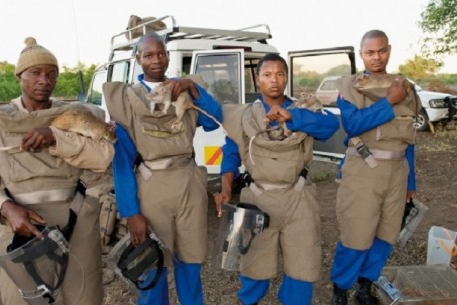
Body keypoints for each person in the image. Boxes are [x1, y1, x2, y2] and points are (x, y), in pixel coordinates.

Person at [0, 37, 114, 305]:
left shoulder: (72, 117)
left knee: (83, 296)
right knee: (27, 299)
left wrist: (55, 138)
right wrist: (5, 208)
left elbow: (102, 158)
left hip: (73, 222)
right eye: (36, 73)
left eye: (52, 74)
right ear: (20, 75)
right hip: (20, 227)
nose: (45, 80)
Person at [102, 32, 223, 305]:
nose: (156, 60)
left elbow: (215, 121)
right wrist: (131, 212)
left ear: (168, 55)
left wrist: (193, 89)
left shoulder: (185, 88)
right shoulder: (128, 99)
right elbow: (121, 161)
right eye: (148, 55)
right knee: (151, 263)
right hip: (152, 185)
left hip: (189, 182)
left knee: (190, 260)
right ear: (138, 59)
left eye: (161, 53)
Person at [214, 53, 340, 305]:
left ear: (286, 78)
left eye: (280, 74)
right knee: (253, 268)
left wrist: (292, 117)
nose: (274, 80)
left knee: (302, 268)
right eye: (267, 75)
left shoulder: (302, 110)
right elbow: (230, 153)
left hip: (298, 197)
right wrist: (226, 186)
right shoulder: (244, 115)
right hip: (257, 199)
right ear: (257, 79)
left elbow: (330, 127)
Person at [329, 30, 421, 305]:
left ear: (389, 50)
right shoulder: (349, 87)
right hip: (363, 168)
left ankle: (364, 286)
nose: (376, 57)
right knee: (356, 233)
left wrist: (411, 182)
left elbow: (410, 138)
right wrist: (389, 101)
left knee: (386, 234)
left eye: (381, 50)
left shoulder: (405, 87)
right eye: (370, 52)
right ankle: (340, 289)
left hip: (397, 170)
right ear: (362, 54)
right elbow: (354, 124)